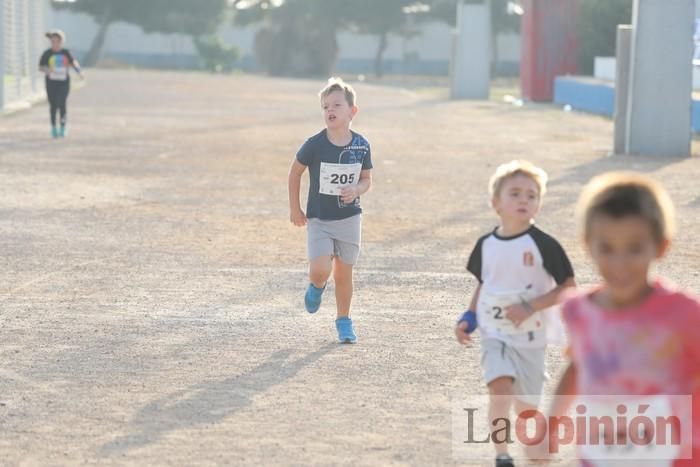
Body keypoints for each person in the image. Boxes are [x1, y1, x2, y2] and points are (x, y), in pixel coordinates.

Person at [539, 172, 700, 466]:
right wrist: (551, 423)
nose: (620, 263)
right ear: (588, 245)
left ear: (661, 246)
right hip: (600, 456)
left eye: (635, 248)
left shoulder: (685, 314)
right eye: (607, 248)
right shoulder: (577, 310)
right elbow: (578, 366)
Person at [455, 160, 576, 467]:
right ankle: (502, 456)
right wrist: (469, 317)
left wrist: (530, 306)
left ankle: (536, 450)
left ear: (539, 203)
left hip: (531, 339)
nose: (524, 199)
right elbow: (486, 283)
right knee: (499, 387)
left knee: (525, 410)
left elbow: (568, 287)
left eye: (532, 195)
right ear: (496, 203)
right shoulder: (486, 244)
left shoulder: (545, 245)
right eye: (515, 193)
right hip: (495, 333)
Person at [288, 77, 372, 344]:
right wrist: (295, 208)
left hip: (349, 219)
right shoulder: (314, 144)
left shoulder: (361, 145)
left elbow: (366, 179)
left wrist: (357, 190)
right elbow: (295, 173)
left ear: (352, 111)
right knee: (320, 269)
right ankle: (317, 285)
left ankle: (344, 321)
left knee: (344, 273)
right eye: (325, 107)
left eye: (336, 105)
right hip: (319, 219)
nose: (329, 110)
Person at [39, 30, 83, 138]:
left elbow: (73, 63)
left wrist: (79, 72)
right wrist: (48, 70)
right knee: (53, 105)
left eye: (57, 41)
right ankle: (54, 127)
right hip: (51, 83)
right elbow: (41, 66)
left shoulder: (65, 53)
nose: (55, 44)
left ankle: (63, 126)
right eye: (53, 41)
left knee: (61, 102)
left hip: (63, 83)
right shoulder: (47, 53)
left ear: (61, 42)